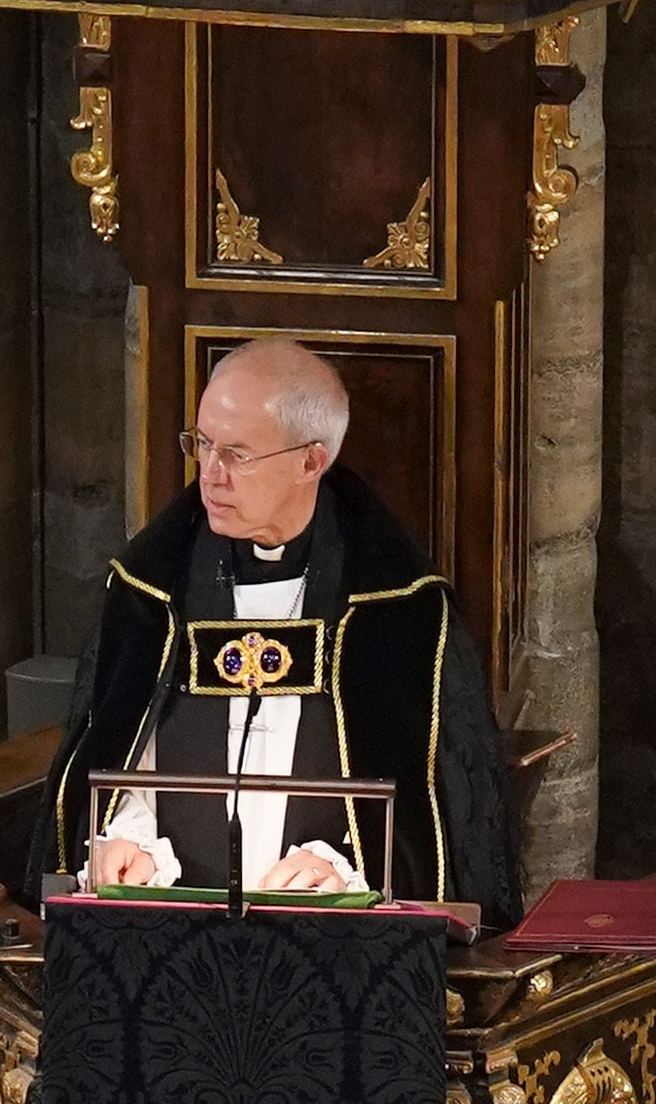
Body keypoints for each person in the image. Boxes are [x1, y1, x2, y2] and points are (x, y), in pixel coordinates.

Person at [52, 337, 520, 918]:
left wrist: (345, 866)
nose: (211, 475)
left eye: (238, 454)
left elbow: (433, 816)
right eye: (202, 444)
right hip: (168, 922)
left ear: (310, 461)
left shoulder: (395, 608)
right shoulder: (151, 588)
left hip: (332, 939)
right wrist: (127, 837)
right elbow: (124, 753)